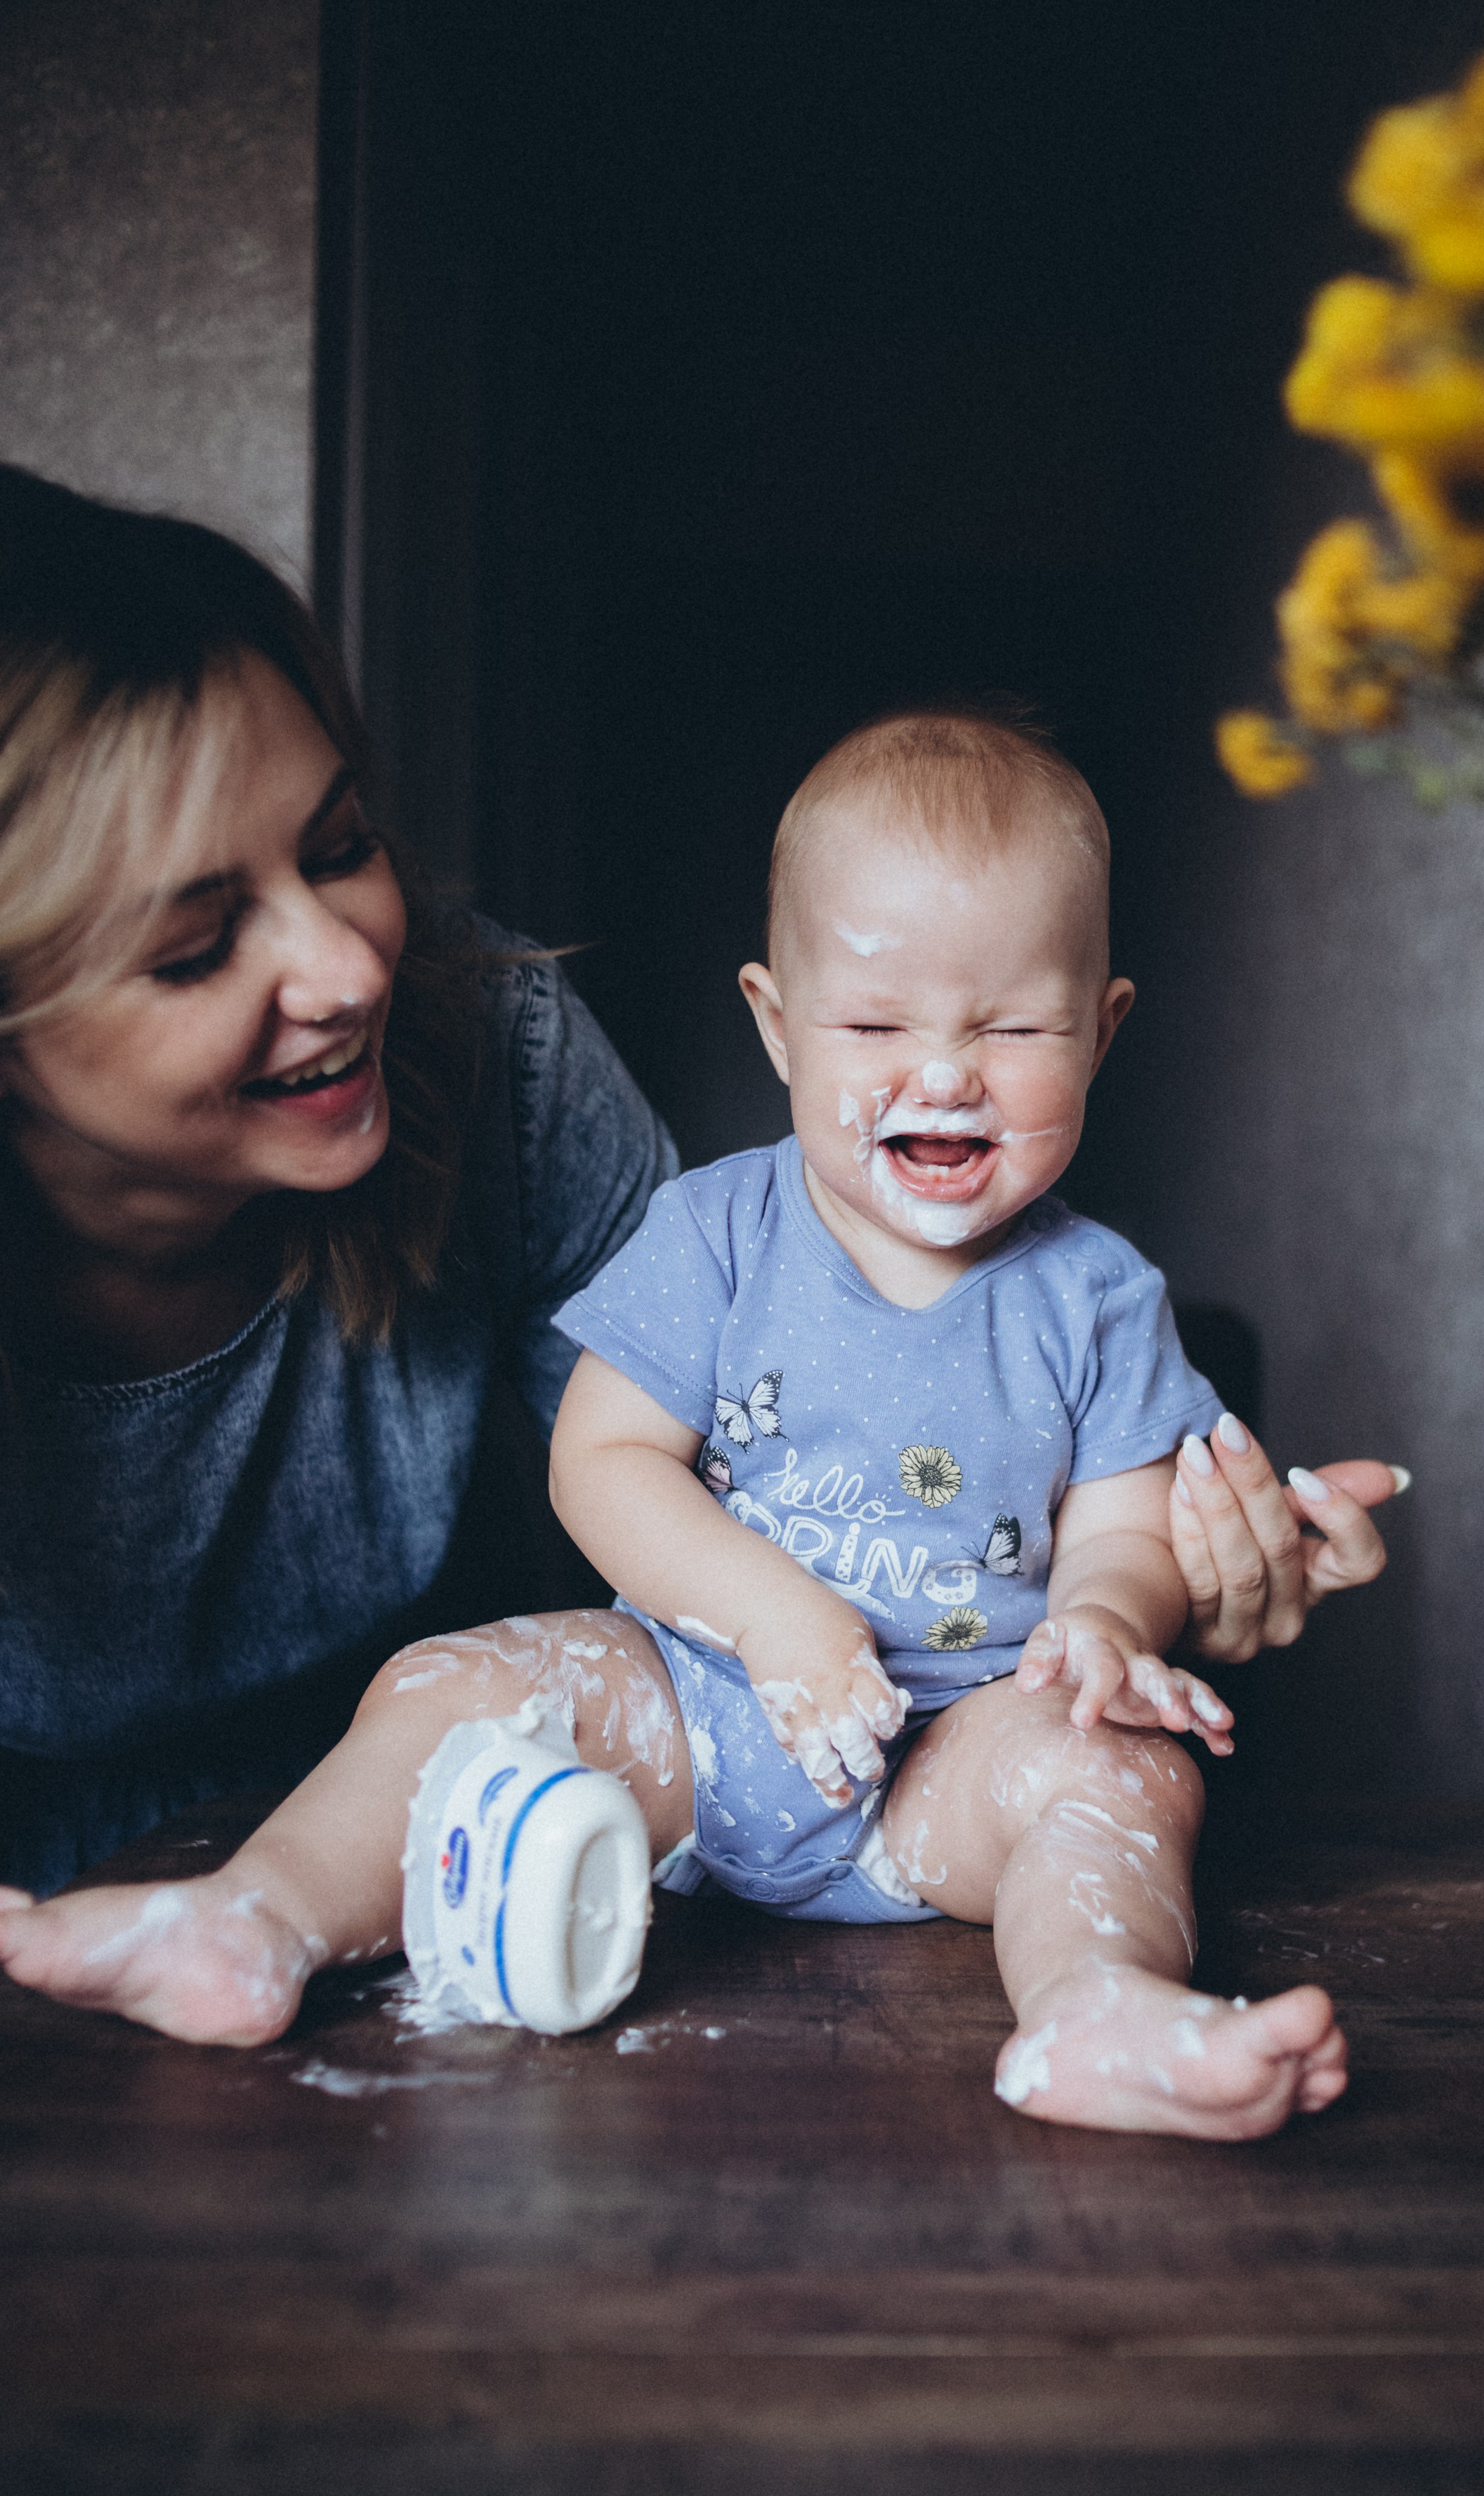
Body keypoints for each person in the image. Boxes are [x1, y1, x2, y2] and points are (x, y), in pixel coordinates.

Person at [2, 709, 1403, 2141]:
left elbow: (1118, 1526)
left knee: (1120, 1776)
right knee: (459, 1685)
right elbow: (599, 1460)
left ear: (1100, 1029)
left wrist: (1106, 1625)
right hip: (691, 1713)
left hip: (953, 1753)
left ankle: (1095, 2011)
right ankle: (253, 1920)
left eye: (1008, 1028)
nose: (941, 1073)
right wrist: (774, 1620)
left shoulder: (1099, 1297)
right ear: (774, 1023)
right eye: (873, 1027)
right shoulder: (716, 1233)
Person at [0, 466, 674, 1896]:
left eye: (340, 849)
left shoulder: (498, 1050)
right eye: (196, 949)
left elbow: (750, 1489)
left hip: (441, 1832)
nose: (351, 969)